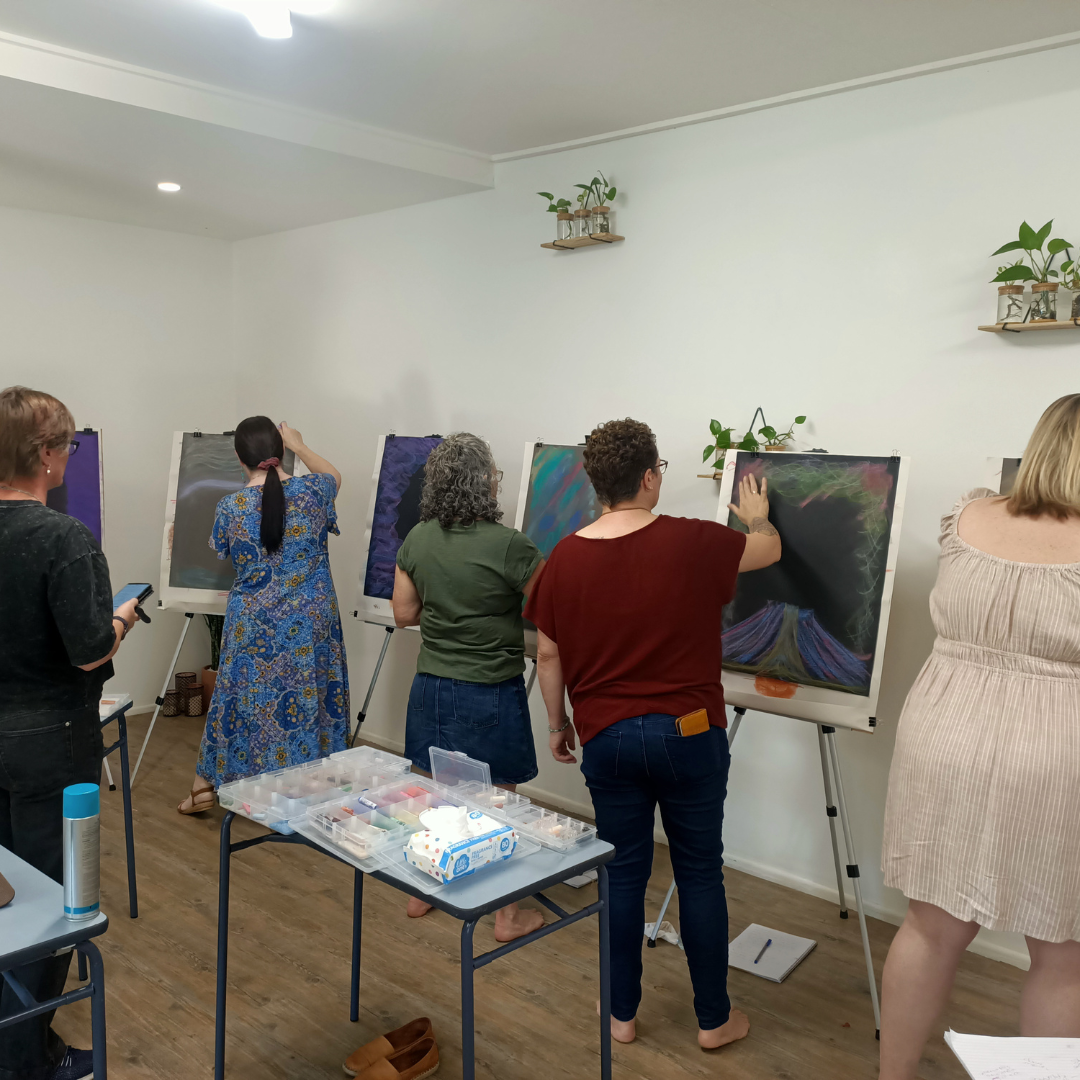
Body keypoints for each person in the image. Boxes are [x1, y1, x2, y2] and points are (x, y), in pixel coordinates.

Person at [524, 418, 781, 1050]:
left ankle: (621, 1016)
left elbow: (548, 655)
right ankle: (713, 1021)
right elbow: (767, 551)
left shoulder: (563, 558)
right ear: (647, 476)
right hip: (689, 734)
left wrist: (557, 724)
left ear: (597, 482)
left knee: (622, 876)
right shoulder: (694, 541)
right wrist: (759, 518)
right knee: (699, 873)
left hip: (607, 739)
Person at [879, 394, 1080, 1079]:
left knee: (930, 928)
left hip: (944, 732)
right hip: (1059, 746)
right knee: (1063, 952)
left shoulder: (968, 517)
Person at [0, 386, 141, 1080]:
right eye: (68, 445)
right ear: (47, 455)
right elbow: (88, 651)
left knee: (4, 900)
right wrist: (123, 618)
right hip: (49, 746)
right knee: (53, 904)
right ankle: (25, 1059)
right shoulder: (64, 539)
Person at [391, 432, 545, 942]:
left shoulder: (417, 539)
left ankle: (422, 890)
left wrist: (448, 612)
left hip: (431, 686)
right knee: (499, 801)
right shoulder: (510, 545)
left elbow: (403, 613)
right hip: (490, 689)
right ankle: (506, 916)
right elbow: (552, 609)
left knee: (433, 792)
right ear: (483, 482)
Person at [179, 417, 349, 813]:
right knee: (312, 697)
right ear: (281, 449)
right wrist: (300, 445)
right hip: (310, 623)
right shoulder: (314, 490)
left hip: (252, 623)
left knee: (235, 701)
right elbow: (335, 476)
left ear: (238, 456)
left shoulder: (230, 507)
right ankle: (311, 788)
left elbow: (225, 550)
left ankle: (205, 786)